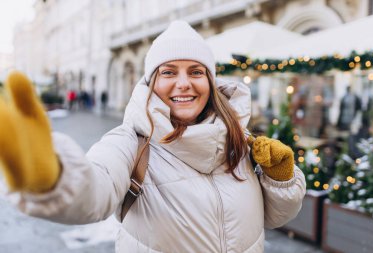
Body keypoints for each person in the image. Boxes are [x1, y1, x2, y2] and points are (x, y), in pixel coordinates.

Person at [0, 21, 306, 252]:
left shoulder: (240, 139)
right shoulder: (131, 142)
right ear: (151, 83)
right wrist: (54, 178)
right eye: (169, 72)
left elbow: (275, 218)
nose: (184, 83)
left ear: (211, 82)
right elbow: (95, 189)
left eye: (196, 72)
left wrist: (281, 179)